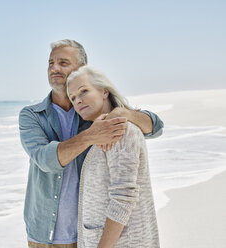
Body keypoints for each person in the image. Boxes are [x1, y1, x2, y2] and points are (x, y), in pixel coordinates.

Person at [19, 39, 163, 248]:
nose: (54, 68)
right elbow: (45, 159)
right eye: (51, 63)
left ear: (82, 68)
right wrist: (91, 135)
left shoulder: (95, 112)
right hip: (43, 234)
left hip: (88, 234)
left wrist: (123, 113)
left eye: (63, 62)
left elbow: (155, 127)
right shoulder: (32, 115)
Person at [67, 65, 160, 248]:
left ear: (104, 92)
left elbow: (123, 198)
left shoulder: (122, 132)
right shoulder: (98, 134)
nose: (78, 101)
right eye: (73, 98)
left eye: (83, 91)